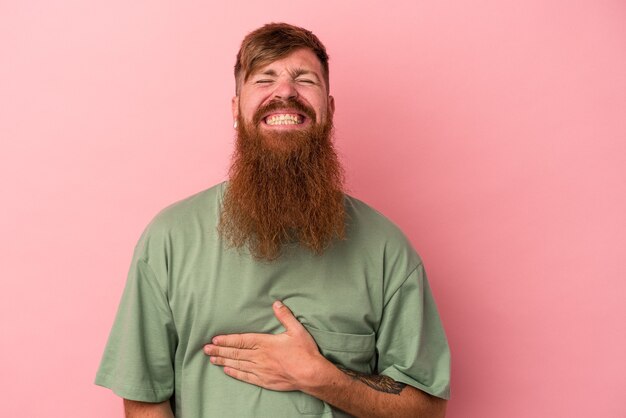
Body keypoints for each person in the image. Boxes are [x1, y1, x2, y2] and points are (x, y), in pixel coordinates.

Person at [96, 22, 451, 417]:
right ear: (236, 109)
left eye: (304, 79)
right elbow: (144, 399)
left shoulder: (387, 249)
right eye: (264, 79)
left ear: (329, 111)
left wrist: (321, 377)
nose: (285, 91)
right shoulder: (169, 239)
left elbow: (427, 409)